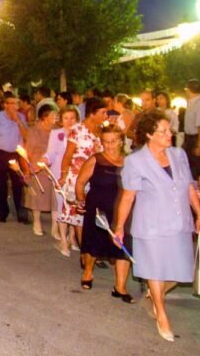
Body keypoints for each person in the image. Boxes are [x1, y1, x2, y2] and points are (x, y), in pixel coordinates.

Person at [114, 110, 200, 342]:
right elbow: (128, 197)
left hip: (179, 221)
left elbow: (189, 187)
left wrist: (199, 214)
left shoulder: (179, 154)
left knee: (179, 269)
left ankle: (156, 296)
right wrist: (120, 227)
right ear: (148, 135)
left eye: (169, 130)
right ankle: (161, 314)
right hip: (151, 225)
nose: (169, 134)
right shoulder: (135, 161)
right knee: (155, 269)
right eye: (162, 131)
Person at [75, 125, 133, 300]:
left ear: (121, 141)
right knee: (95, 242)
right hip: (98, 207)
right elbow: (80, 182)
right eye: (105, 142)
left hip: (121, 209)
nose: (109, 145)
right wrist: (80, 199)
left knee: (123, 247)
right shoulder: (96, 159)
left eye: (113, 141)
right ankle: (88, 272)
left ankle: (120, 287)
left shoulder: (130, 162)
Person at [59, 97, 106, 246]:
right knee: (80, 216)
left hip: (97, 178)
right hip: (78, 177)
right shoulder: (77, 130)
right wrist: (63, 175)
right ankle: (85, 249)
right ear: (92, 113)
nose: (106, 116)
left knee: (95, 213)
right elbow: (67, 155)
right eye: (103, 113)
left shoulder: (103, 131)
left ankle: (94, 248)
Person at [0, 94, 29, 223]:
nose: (15, 106)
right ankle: (2, 213)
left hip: (16, 154)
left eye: (17, 103)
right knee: (0, 184)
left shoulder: (21, 117)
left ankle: (20, 213)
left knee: (18, 184)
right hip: (0, 153)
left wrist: (18, 121)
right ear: (5, 105)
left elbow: (26, 136)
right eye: (12, 103)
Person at [42, 105, 80, 255]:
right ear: (61, 120)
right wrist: (45, 159)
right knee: (62, 206)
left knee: (75, 207)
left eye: (72, 118)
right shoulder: (56, 133)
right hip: (59, 175)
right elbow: (51, 153)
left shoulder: (81, 133)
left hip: (76, 175)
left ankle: (72, 237)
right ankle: (63, 240)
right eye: (66, 118)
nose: (69, 121)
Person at [24, 104, 56, 236]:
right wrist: (28, 169)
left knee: (54, 197)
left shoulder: (57, 130)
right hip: (37, 167)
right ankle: (36, 221)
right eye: (53, 115)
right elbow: (28, 151)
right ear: (45, 117)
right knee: (37, 196)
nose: (56, 118)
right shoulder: (34, 131)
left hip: (53, 167)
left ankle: (55, 227)